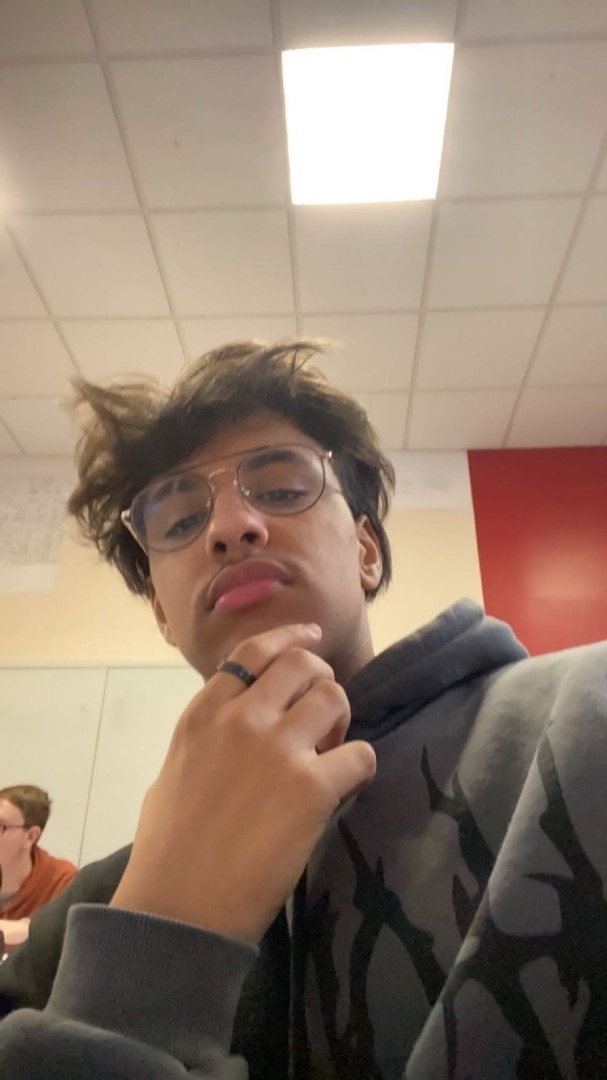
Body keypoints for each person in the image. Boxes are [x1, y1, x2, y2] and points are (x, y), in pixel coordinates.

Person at [0, 340, 605, 1079]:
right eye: (181, 521)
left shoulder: (583, 720)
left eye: (282, 489)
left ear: (366, 552)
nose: (230, 526)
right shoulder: (93, 914)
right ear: (161, 613)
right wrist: (151, 944)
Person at [0, 786, 77, 953]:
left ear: (31, 836)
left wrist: (28, 929)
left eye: (1, 826)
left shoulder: (61, 880)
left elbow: (67, 940)